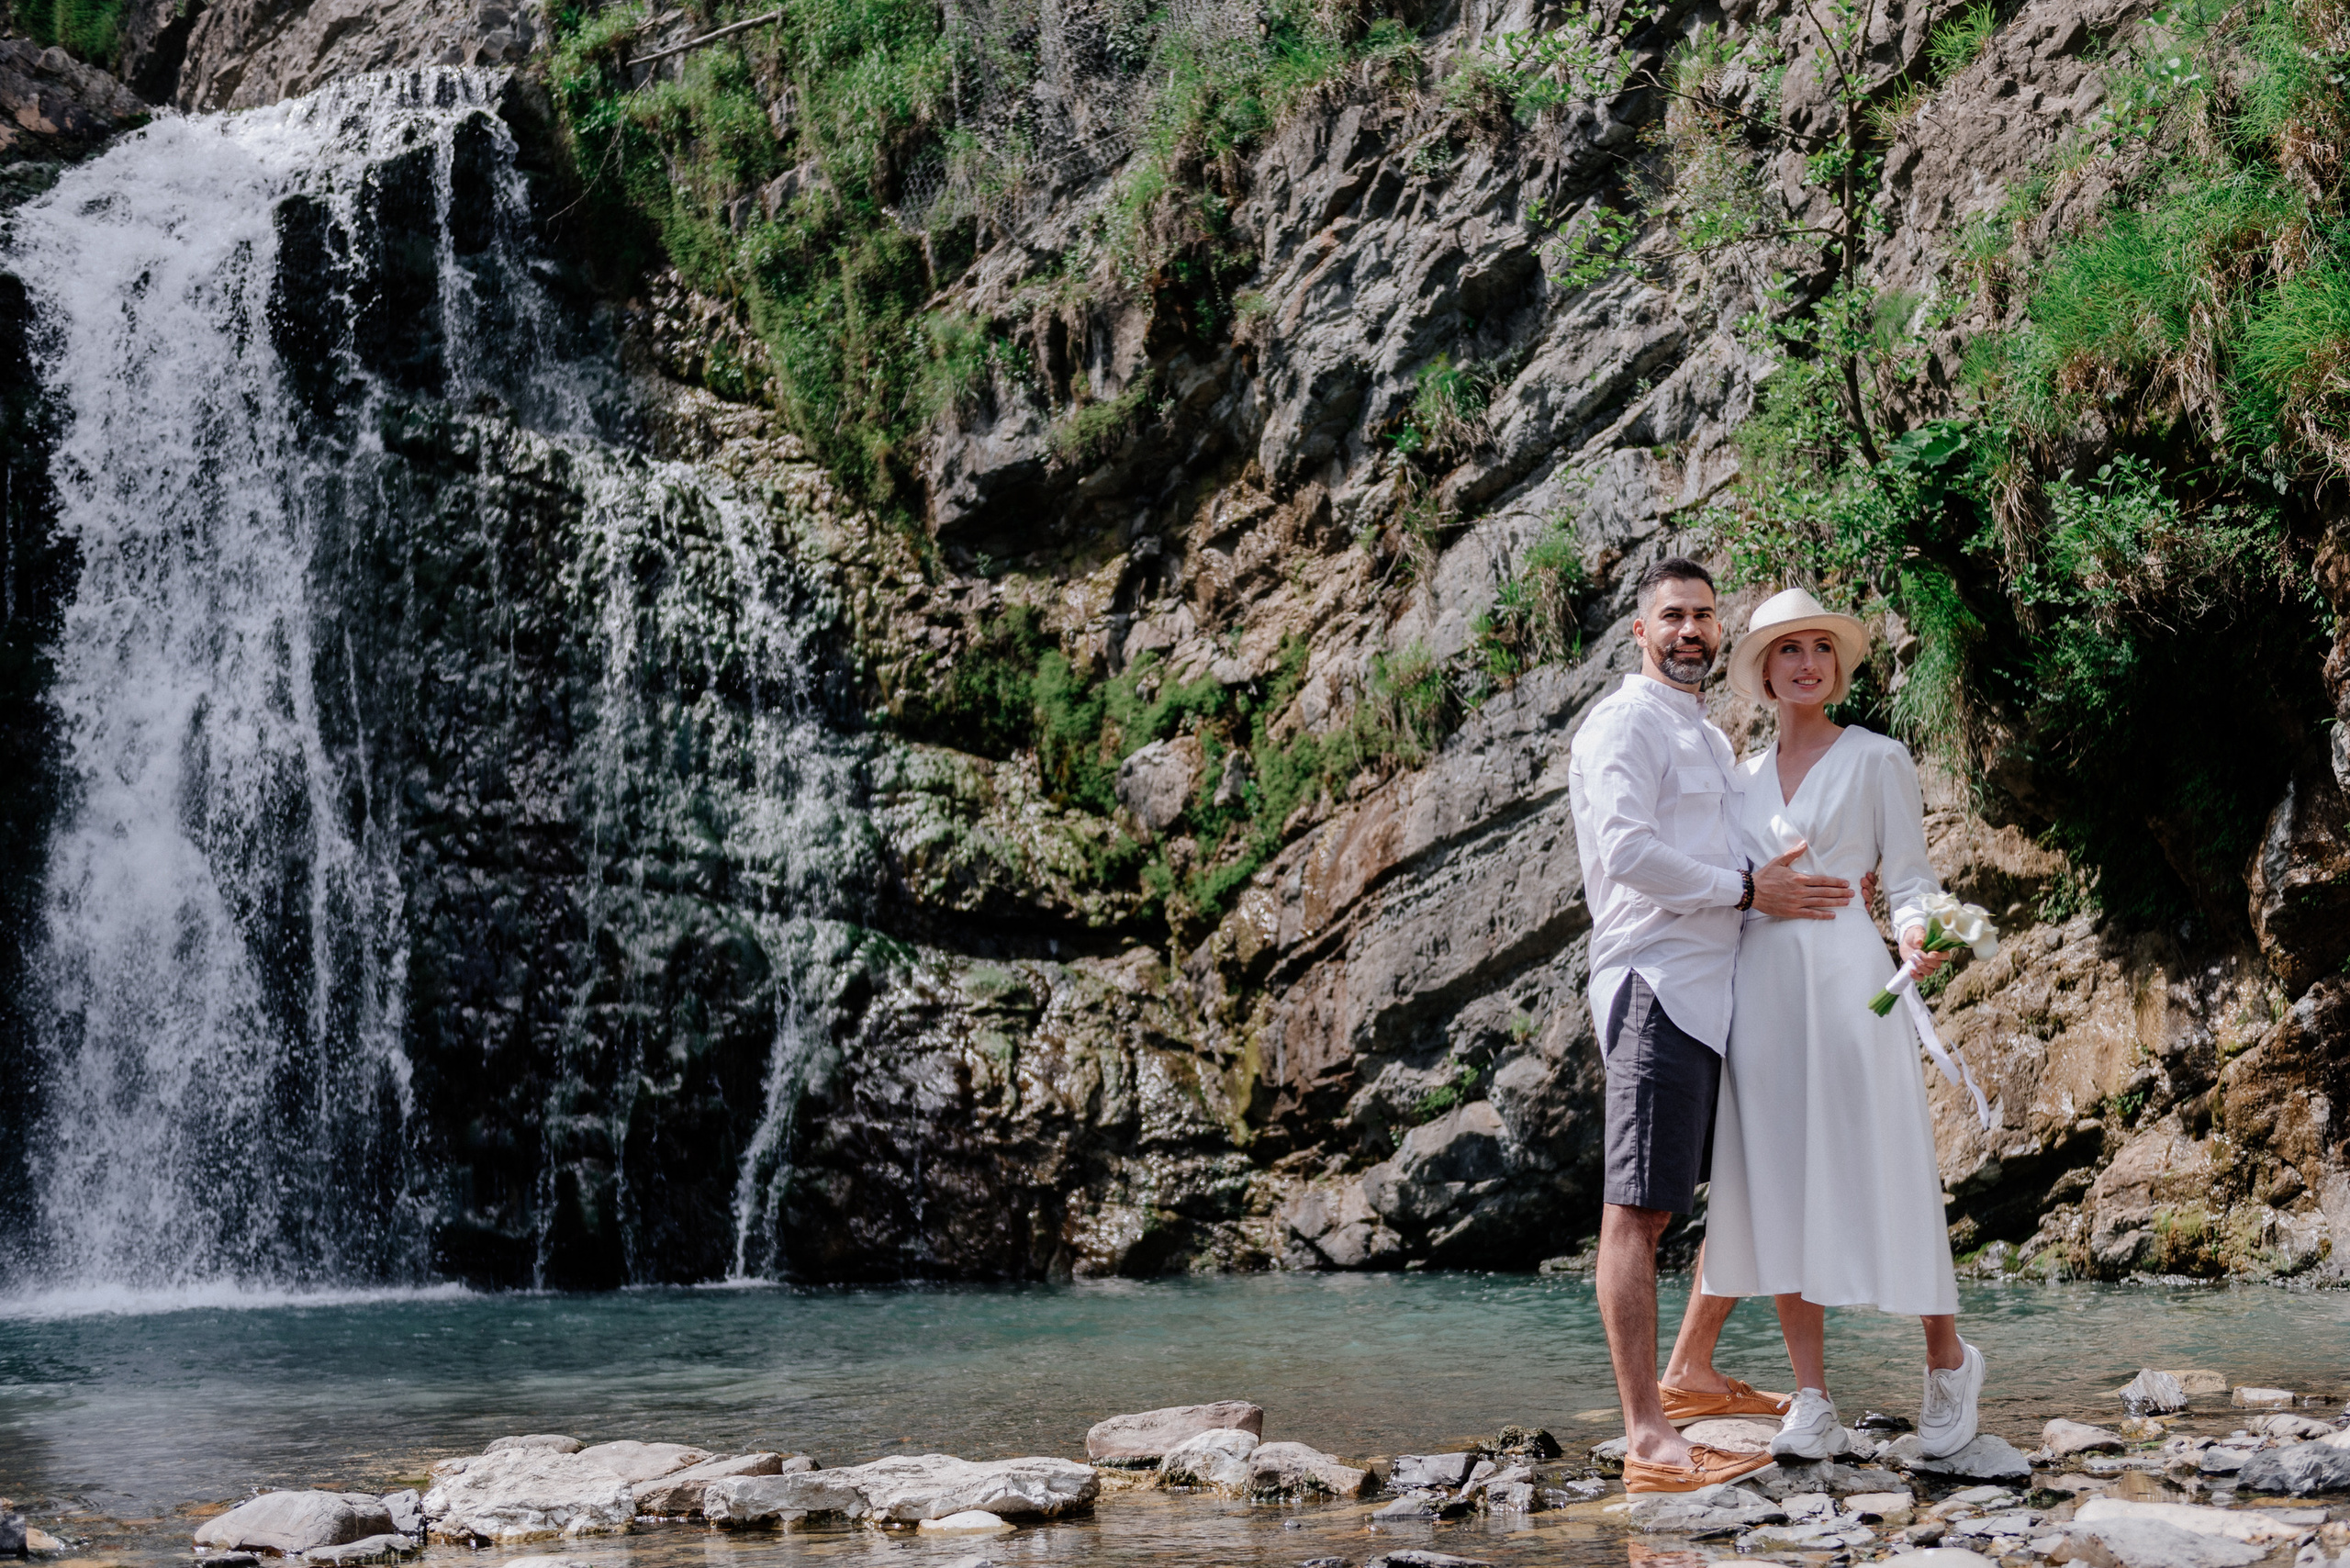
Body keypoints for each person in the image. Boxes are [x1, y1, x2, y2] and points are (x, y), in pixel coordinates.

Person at [1565, 558, 1861, 1493]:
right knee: (1639, 1210)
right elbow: (1627, 853)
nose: (1690, 630)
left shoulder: (1701, 736)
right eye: (1672, 617)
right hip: (1657, 984)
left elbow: (1769, 859)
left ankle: (1690, 1370)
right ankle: (1648, 1437)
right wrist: (1746, 887)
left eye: (1702, 616)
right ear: (1639, 632)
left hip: (1720, 996)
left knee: (1742, 1186)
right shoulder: (1624, 723)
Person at [1701, 587, 1986, 1462]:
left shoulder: (1876, 758)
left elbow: (1908, 879)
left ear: (1836, 666)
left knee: (1890, 1163)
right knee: (1782, 1183)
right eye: (1789, 649)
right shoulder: (1734, 779)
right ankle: (1811, 1397)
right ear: (1763, 669)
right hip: (1763, 990)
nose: (1808, 662)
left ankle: (1947, 1361)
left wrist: (1916, 932)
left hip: (1851, 980)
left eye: (1821, 647)